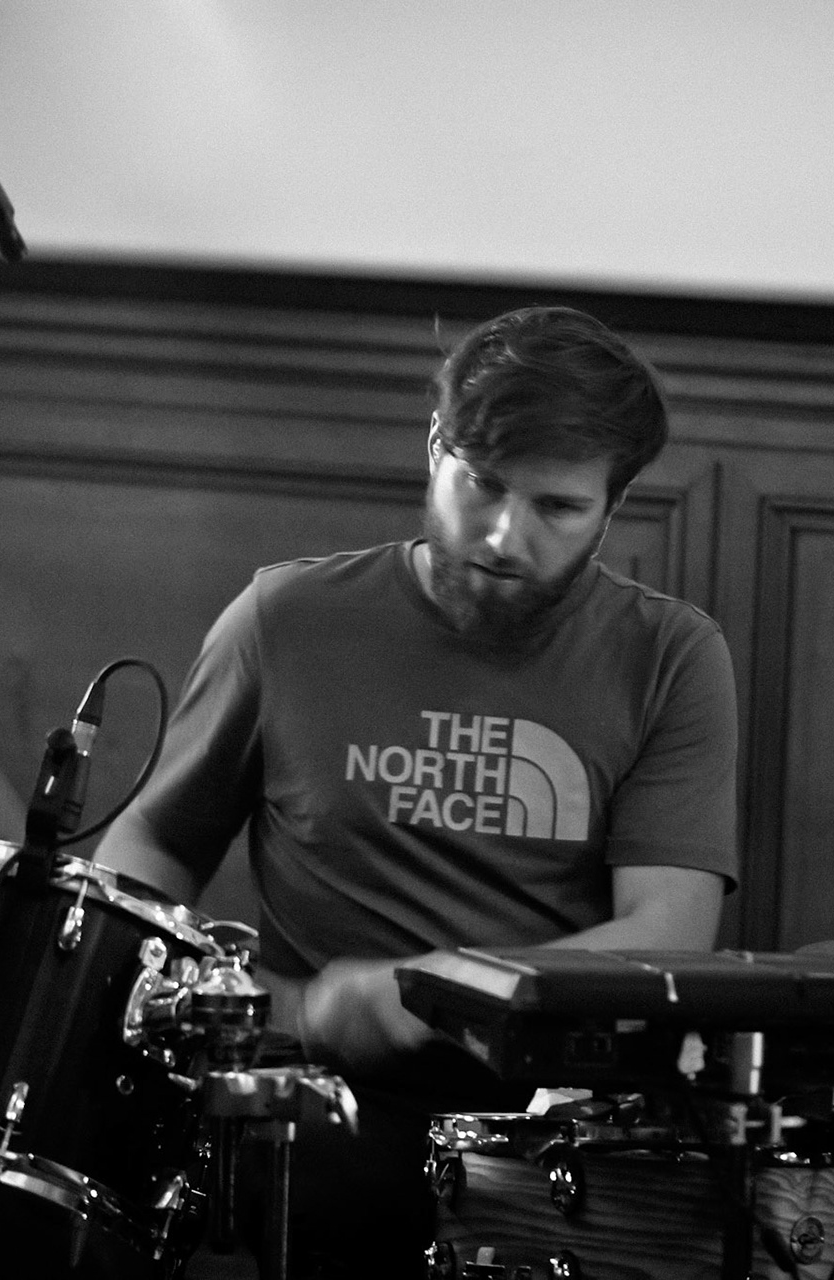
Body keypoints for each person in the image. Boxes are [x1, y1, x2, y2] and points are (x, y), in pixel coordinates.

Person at [95, 304, 739, 1275]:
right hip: (319, 1099)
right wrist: (227, 1000)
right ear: (435, 447)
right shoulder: (286, 617)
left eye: (557, 508)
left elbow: (667, 932)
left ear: (615, 504)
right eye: (480, 484)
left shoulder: (672, 654)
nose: (503, 534)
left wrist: (435, 996)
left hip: (554, 1124)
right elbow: (154, 841)